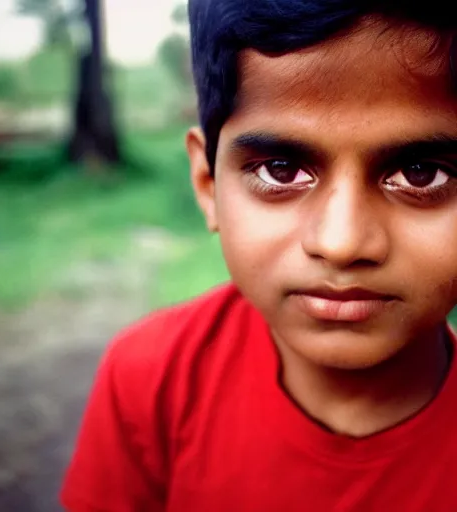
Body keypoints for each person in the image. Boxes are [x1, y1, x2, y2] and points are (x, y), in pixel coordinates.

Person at [61, 1, 457, 510]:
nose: (341, 243)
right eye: (281, 171)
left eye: (422, 174)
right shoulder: (149, 379)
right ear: (208, 186)